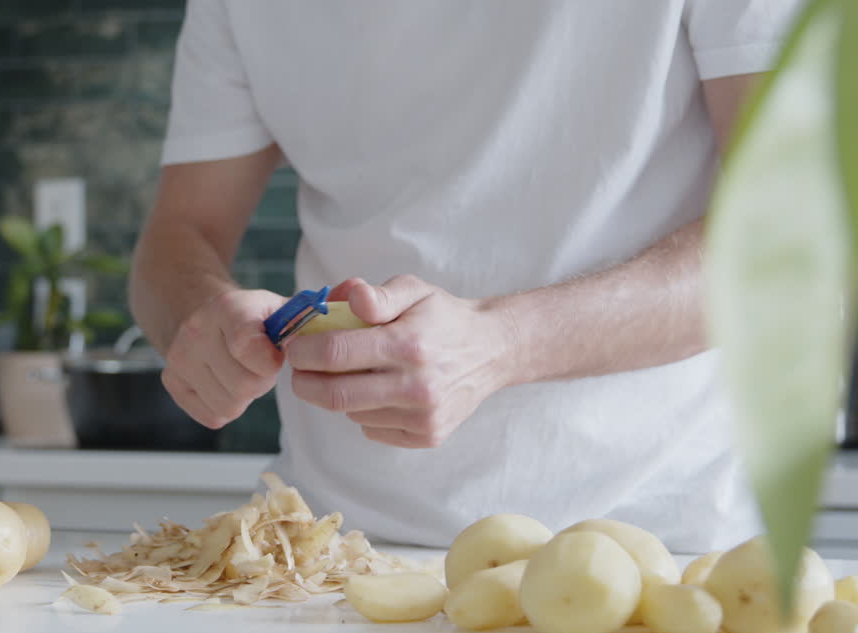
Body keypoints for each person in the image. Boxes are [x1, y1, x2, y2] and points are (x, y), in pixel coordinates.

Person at [128, 1, 807, 552]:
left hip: (650, 547)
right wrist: (205, 316)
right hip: (326, 552)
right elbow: (177, 237)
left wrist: (502, 343)